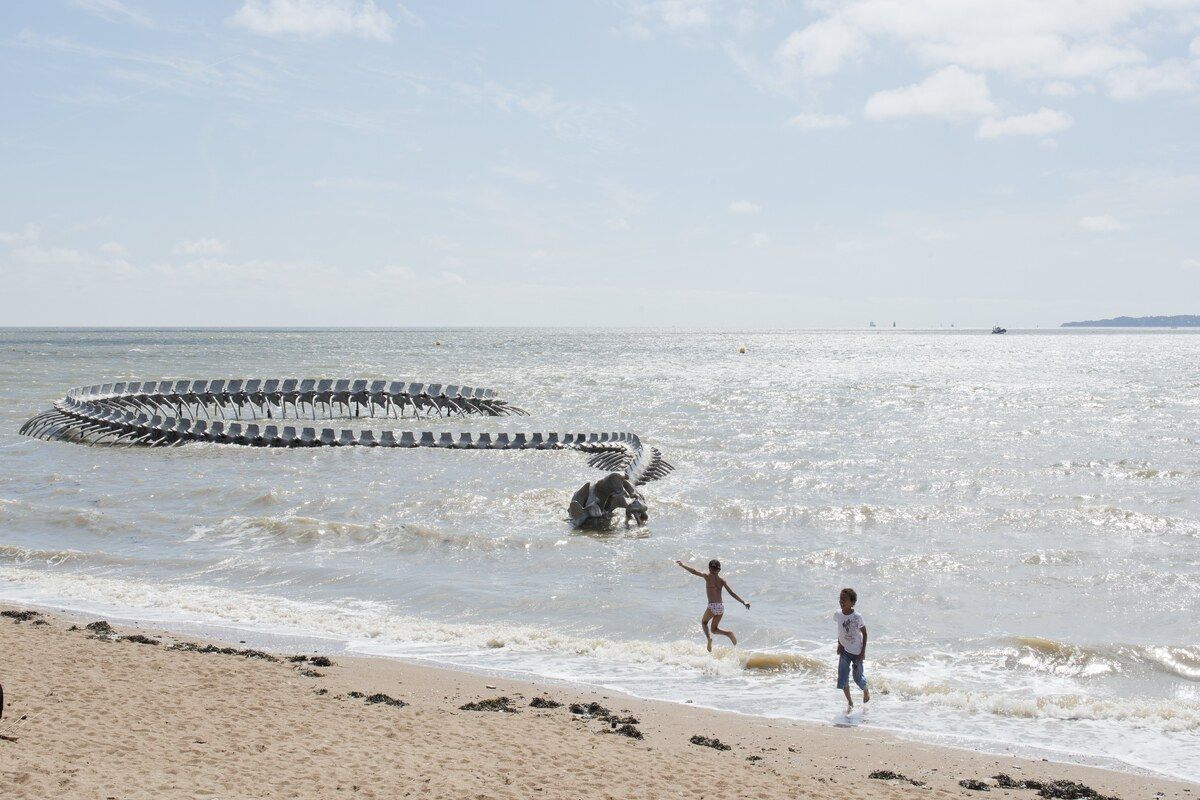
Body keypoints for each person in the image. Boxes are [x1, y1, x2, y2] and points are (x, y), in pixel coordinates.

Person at [675, 558, 749, 652]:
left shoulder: (707, 576)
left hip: (712, 606)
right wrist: (743, 602)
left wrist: (682, 565)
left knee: (704, 623)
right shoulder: (722, 581)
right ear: (719, 569)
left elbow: (694, 572)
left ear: (709, 568)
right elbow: (732, 593)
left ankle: (708, 639)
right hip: (720, 607)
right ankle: (729, 633)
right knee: (714, 629)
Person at [834, 587, 870, 713]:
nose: (841, 602)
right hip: (844, 651)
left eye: (844, 599)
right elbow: (840, 631)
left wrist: (862, 652)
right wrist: (839, 644)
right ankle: (850, 702)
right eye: (840, 599)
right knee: (843, 677)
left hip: (856, 652)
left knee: (857, 678)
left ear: (852, 602)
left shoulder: (857, 616)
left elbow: (865, 634)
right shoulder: (838, 614)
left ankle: (865, 689)